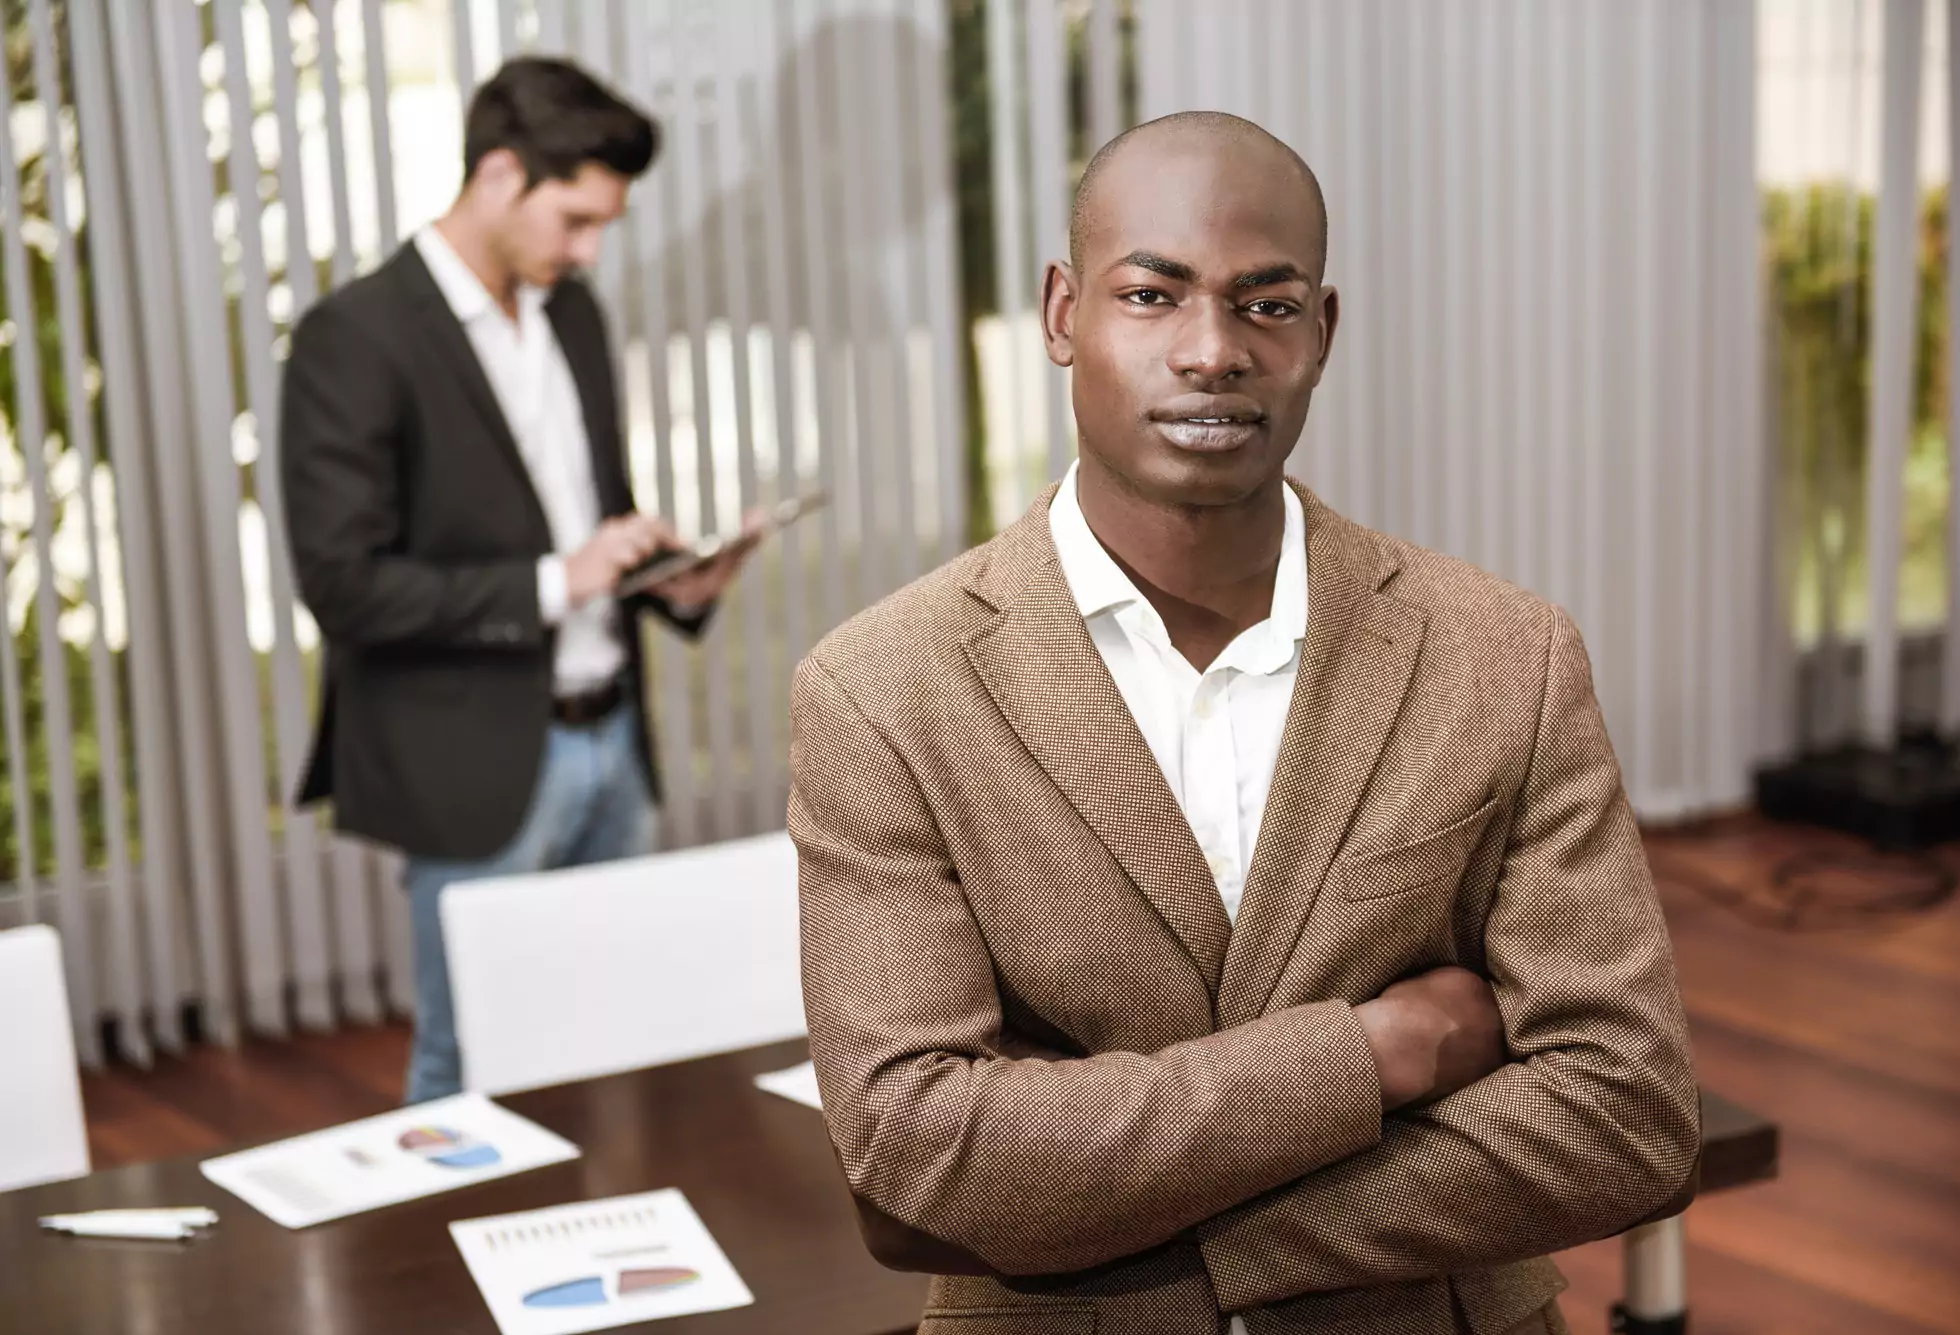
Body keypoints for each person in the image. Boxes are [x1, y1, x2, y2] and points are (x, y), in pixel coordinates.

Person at [788, 112, 1698, 1335]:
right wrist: (1379, 1055)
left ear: (1320, 333)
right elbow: (923, 1156)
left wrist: (1138, 1237)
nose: (1211, 351)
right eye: (1152, 295)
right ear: (1064, 315)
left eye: (1265, 306)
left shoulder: (1504, 653)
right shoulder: (878, 690)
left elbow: (1624, 1115)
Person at [282, 57, 758, 1104]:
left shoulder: (570, 313)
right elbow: (343, 586)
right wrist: (557, 580)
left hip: (611, 745)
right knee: (469, 1069)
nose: (587, 252)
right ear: (499, 174)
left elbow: (592, 523)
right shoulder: (353, 339)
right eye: (575, 220)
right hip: (475, 762)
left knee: (611, 1050)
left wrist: (667, 580)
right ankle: (450, 1274)